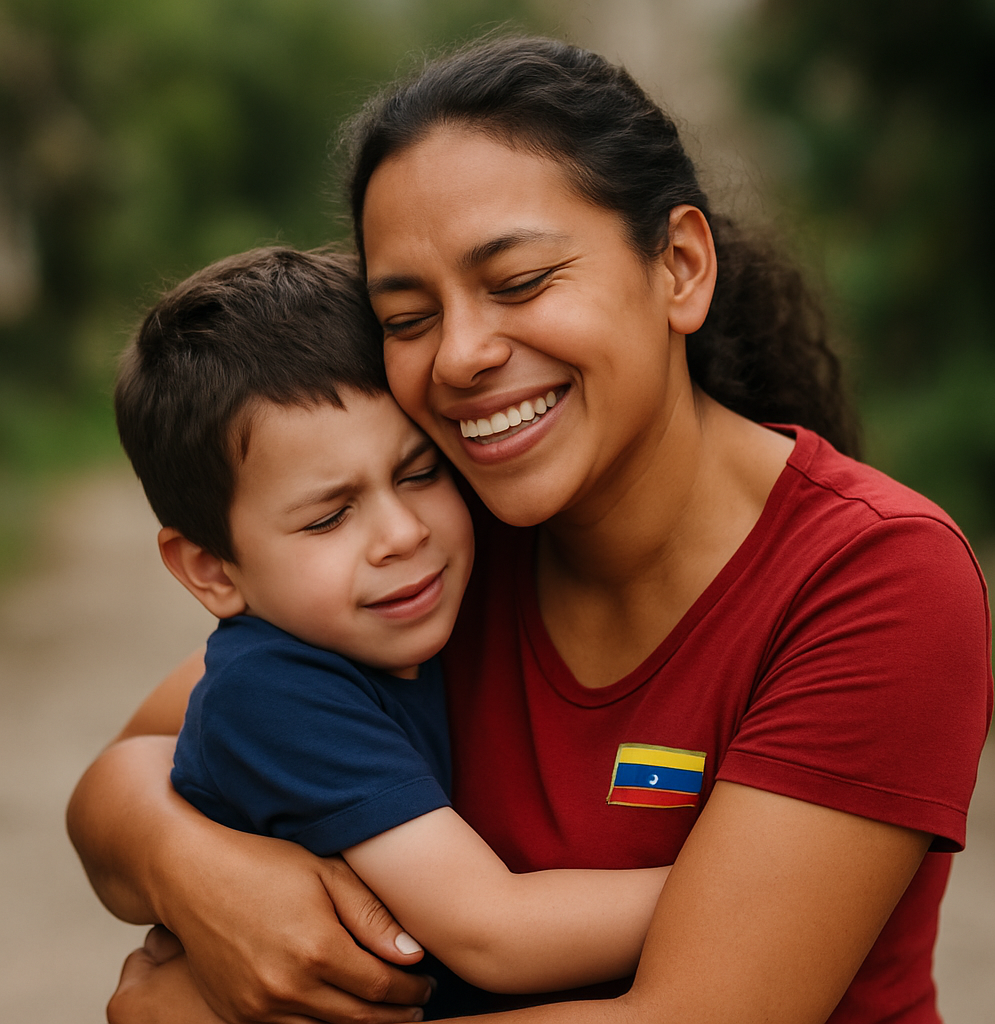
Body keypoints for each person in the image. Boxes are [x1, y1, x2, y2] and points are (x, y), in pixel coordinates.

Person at [68, 37, 992, 1024]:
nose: (461, 354)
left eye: (517, 282)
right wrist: (194, 869)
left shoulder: (871, 574)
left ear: (679, 265)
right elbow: (124, 779)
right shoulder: (438, 546)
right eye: (410, 314)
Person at [110, 244, 669, 1016]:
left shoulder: (414, 616)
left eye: (418, 472)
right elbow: (492, 931)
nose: (402, 534)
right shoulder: (270, 693)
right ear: (211, 570)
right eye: (330, 516)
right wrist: (762, 884)